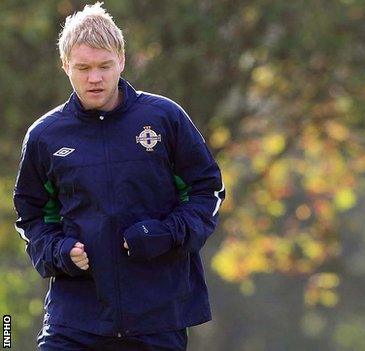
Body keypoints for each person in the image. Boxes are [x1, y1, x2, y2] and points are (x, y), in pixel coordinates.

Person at [13, 3, 225, 350]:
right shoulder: (45, 136)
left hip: (157, 318)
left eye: (103, 66)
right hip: (74, 319)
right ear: (65, 65)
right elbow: (31, 216)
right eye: (82, 67)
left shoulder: (164, 118)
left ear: (121, 61)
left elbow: (208, 192)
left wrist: (164, 234)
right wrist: (58, 250)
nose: (94, 78)